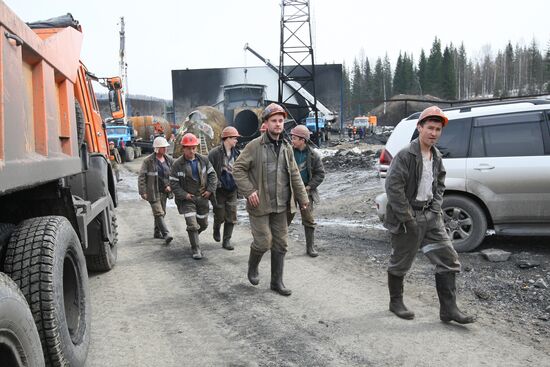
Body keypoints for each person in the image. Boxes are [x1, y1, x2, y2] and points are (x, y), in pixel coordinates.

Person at [384, 106, 475, 324]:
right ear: (419, 128)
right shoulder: (406, 155)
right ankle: (396, 302)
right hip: (407, 218)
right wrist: (408, 219)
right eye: (430, 128)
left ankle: (449, 310)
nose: (434, 133)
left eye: (438, 129)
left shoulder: (436, 156)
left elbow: (440, 184)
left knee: (449, 260)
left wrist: (435, 209)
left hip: (431, 216)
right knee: (400, 262)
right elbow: (393, 188)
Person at [233, 103, 309, 296]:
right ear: (265, 124)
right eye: (274, 121)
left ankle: (277, 282)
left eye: (281, 121)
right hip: (259, 204)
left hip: (281, 204)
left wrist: (302, 198)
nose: (278, 124)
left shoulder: (286, 147)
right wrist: (249, 191)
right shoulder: (254, 146)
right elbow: (238, 169)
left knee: (281, 243)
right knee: (263, 242)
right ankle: (253, 266)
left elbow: (294, 174)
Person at [170, 133, 217, 259]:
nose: (191, 150)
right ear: (183, 148)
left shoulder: (204, 160)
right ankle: (196, 249)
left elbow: (212, 175)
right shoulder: (177, 164)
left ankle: (194, 235)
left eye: (193, 147)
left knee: (203, 224)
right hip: (187, 200)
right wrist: (184, 195)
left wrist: (210, 190)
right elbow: (174, 184)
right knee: (192, 224)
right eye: (188, 148)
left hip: (202, 197)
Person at [287, 124, 325, 257]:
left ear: (302, 140)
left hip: (306, 191)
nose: (292, 140)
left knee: (308, 219)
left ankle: (310, 248)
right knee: (285, 218)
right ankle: (279, 245)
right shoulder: (288, 153)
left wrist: (309, 187)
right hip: (290, 191)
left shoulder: (314, 156)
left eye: (294, 138)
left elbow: (320, 174)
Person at [208, 126, 241, 251]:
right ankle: (216, 228)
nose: (236, 141)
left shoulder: (237, 153)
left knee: (231, 217)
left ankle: (226, 240)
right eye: (235, 138)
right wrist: (212, 186)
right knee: (220, 215)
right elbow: (208, 171)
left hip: (232, 189)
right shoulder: (214, 153)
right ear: (227, 138)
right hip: (219, 190)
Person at [138, 136, 174, 244]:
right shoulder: (148, 161)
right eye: (163, 147)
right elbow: (142, 177)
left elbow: (174, 174)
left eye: (165, 147)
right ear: (157, 148)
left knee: (162, 213)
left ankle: (157, 232)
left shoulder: (169, 160)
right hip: (152, 191)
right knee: (158, 212)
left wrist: (170, 186)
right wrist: (143, 191)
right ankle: (166, 234)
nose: (165, 149)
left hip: (164, 191)